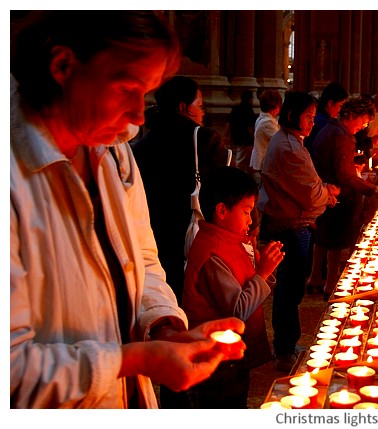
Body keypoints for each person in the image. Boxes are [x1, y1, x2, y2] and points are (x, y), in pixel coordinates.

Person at [10, 10, 245, 409]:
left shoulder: (113, 147)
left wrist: (164, 327)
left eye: (148, 93)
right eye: (125, 88)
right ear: (63, 66)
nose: (138, 116)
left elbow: (141, 257)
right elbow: (11, 374)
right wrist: (135, 358)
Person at [182, 166, 284, 408]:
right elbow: (237, 310)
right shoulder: (211, 253)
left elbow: (248, 283)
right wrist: (263, 273)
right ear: (221, 211)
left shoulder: (230, 240)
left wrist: (264, 272)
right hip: (217, 361)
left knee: (237, 398)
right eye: (247, 211)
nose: (250, 220)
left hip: (233, 357)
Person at [257, 91, 340, 372]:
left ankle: (287, 345)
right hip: (291, 228)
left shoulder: (291, 142)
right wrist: (327, 193)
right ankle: (284, 349)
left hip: (293, 223)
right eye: (308, 116)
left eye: (313, 117)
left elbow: (307, 186)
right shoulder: (290, 148)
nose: (312, 122)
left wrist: (321, 191)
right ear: (292, 115)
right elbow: (310, 194)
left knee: (290, 289)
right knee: (290, 290)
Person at [131, 76, 230, 304]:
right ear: (184, 107)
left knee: (162, 296)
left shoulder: (141, 145)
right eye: (200, 105)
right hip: (193, 237)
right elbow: (222, 190)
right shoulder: (205, 139)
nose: (203, 112)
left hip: (152, 237)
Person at [311, 97, 378, 300]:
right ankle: (331, 285)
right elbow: (345, 176)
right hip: (338, 195)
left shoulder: (329, 128)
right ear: (351, 115)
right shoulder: (343, 135)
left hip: (323, 190)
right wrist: (374, 190)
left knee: (322, 236)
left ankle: (315, 276)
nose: (363, 127)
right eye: (362, 122)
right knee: (336, 240)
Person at [303, 82, 348, 294]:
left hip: (319, 184)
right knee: (330, 234)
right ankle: (326, 280)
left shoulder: (325, 123)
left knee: (320, 234)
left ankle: (316, 275)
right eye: (340, 106)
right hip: (322, 186)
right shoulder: (326, 125)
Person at [249, 89, 282, 185]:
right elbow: (280, 139)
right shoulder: (267, 122)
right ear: (276, 106)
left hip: (263, 162)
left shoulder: (263, 118)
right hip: (264, 162)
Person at [304, 82, 349, 153]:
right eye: (340, 105)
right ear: (330, 103)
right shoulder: (323, 123)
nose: (340, 110)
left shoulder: (321, 117)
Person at [228, 89, 257, 174]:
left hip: (236, 138)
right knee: (241, 162)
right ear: (250, 99)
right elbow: (250, 127)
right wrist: (254, 138)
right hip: (246, 140)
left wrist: (226, 136)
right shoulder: (248, 110)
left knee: (241, 160)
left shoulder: (236, 108)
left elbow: (229, 123)